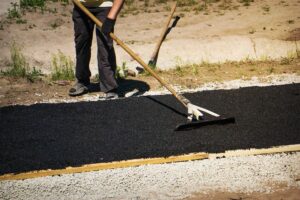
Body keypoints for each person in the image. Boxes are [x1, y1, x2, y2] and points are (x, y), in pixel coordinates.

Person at [69, 0, 124, 99]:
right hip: (80, 5)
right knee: (81, 43)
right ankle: (82, 81)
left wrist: (111, 18)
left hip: (105, 6)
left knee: (105, 45)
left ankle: (110, 86)